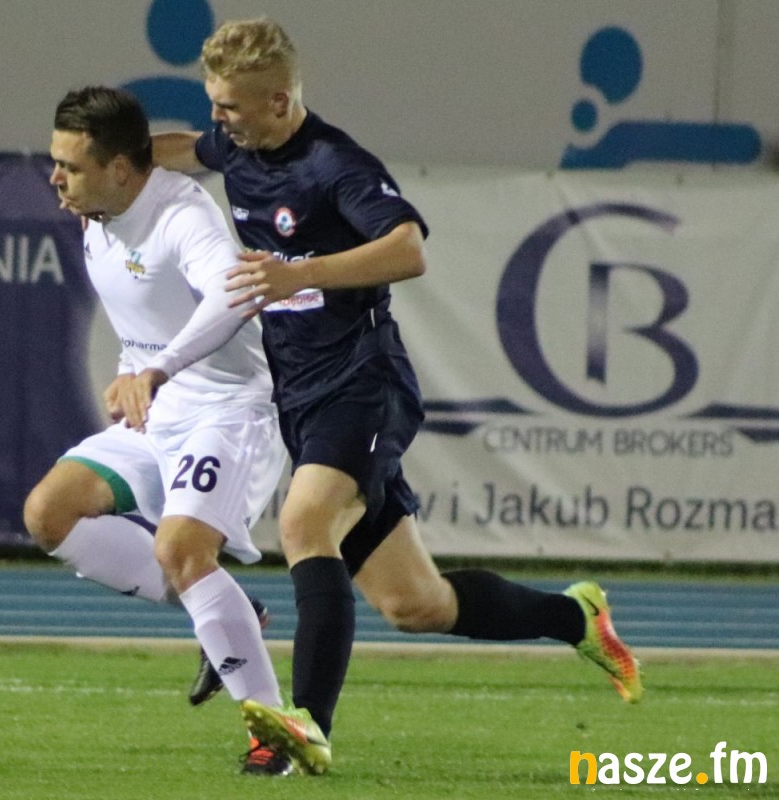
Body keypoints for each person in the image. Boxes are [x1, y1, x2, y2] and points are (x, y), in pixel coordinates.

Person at [151, 18, 643, 775]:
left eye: (230, 107)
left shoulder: (335, 164)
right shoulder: (239, 145)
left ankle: (306, 728)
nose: (218, 119)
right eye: (213, 103)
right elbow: (186, 148)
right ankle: (574, 615)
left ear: (279, 101)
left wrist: (297, 273)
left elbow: (408, 247)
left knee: (303, 521)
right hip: (303, 398)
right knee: (418, 604)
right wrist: (108, 159)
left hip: (363, 384)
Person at [22, 86, 295, 775]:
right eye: (55, 162)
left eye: (71, 166)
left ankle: (274, 738)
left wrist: (157, 370)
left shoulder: (181, 215)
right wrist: (138, 375)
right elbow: (146, 315)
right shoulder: (98, 213)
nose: (56, 178)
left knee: (181, 549)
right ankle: (228, 611)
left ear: (119, 169)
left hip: (227, 410)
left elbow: (237, 293)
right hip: (159, 411)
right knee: (49, 513)